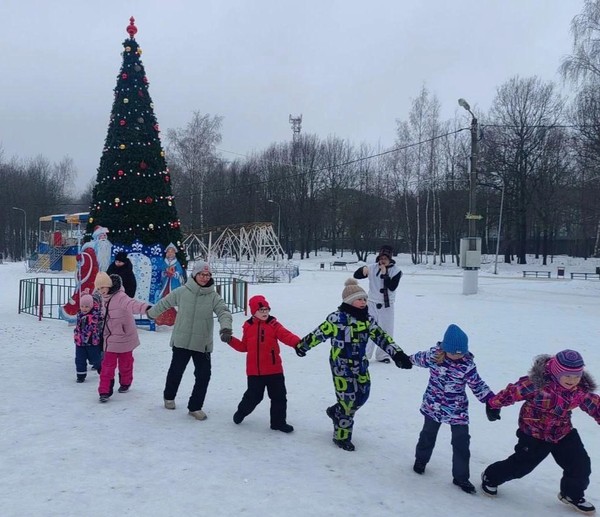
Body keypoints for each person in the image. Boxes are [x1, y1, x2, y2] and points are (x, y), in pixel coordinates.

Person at [295, 278, 412, 451]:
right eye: (360, 299)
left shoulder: (367, 320)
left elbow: (381, 337)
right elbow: (319, 333)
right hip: (341, 366)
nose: (364, 302)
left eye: (365, 299)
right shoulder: (337, 319)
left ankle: (336, 411)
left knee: (362, 395)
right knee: (348, 402)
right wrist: (303, 346)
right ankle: (341, 437)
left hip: (360, 364)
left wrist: (398, 354)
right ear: (349, 301)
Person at [481, 349, 600, 515]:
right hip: (533, 432)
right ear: (556, 373)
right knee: (521, 466)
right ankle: (491, 476)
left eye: (576, 376)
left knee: (580, 464)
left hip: (562, 431)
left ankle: (571, 494)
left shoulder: (578, 390)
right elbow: (513, 391)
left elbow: (595, 405)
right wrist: (493, 404)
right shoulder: (536, 384)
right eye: (567, 376)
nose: (572, 380)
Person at [410, 324, 494, 494]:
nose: (457, 356)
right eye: (454, 352)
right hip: (433, 406)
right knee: (427, 435)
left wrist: (491, 401)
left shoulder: (467, 365)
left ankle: (461, 477)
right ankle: (421, 460)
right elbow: (416, 358)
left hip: (457, 410)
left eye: (461, 352)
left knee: (461, 442)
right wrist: (403, 359)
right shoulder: (434, 356)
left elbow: (477, 384)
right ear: (445, 348)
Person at [147, 261, 232, 421]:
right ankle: (169, 396)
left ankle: (195, 407)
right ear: (195, 275)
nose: (205, 277)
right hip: (182, 340)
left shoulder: (213, 296)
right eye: (202, 274)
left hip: (202, 343)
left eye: (208, 275)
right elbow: (165, 302)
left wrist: (226, 328)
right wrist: (152, 313)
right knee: (176, 371)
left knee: (204, 375)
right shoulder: (182, 292)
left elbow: (223, 312)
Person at [227, 295, 300, 433]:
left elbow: (286, 335)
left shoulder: (274, 324)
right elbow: (244, 347)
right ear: (254, 311)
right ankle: (242, 412)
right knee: (253, 397)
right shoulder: (248, 326)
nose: (265, 312)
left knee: (279, 397)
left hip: (274, 370)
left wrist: (298, 344)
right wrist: (230, 340)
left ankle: (278, 423)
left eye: (266, 309)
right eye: (261, 310)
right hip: (255, 372)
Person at [94, 272, 151, 403]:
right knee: (107, 366)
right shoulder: (103, 298)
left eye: (102, 287)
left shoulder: (120, 297)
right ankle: (104, 391)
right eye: (98, 288)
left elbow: (133, 304)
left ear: (109, 285)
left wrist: (146, 309)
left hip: (125, 336)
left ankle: (125, 382)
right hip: (111, 338)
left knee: (126, 363)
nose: (101, 291)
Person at [353, 244, 402, 363]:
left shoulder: (396, 271)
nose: (382, 260)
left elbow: (392, 287)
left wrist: (385, 274)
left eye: (385, 258)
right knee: (369, 329)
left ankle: (383, 355)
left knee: (386, 330)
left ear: (390, 258)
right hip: (372, 303)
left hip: (387, 305)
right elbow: (356, 275)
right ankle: (364, 354)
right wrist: (362, 270)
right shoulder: (372, 267)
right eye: (381, 258)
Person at [154, 243, 187, 326]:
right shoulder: (164, 262)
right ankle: (162, 319)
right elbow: (161, 271)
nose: (170, 253)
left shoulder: (177, 263)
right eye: (169, 252)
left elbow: (180, 272)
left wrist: (174, 274)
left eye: (172, 252)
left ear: (174, 253)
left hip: (173, 284)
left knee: (173, 300)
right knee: (164, 300)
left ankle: (175, 319)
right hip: (165, 284)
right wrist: (165, 273)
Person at [73, 293, 103, 383]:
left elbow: (98, 323)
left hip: (92, 342)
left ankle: (100, 368)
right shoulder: (79, 314)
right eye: (82, 306)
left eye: (86, 306)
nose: (84, 308)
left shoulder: (95, 315)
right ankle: (80, 375)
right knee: (79, 359)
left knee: (95, 359)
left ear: (91, 306)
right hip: (80, 342)